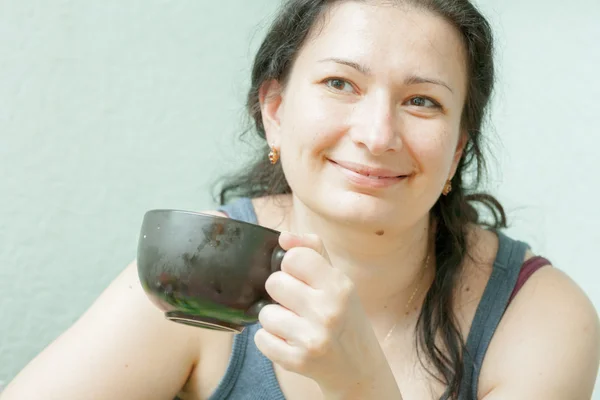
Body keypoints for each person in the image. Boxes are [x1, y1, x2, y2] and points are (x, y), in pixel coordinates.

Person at [2, 0, 599, 399]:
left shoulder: (539, 314)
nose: (376, 134)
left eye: (422, 101)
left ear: (458, 148)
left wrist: (359, 380)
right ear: (277, 112)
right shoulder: (200, 271)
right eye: (340, 84)